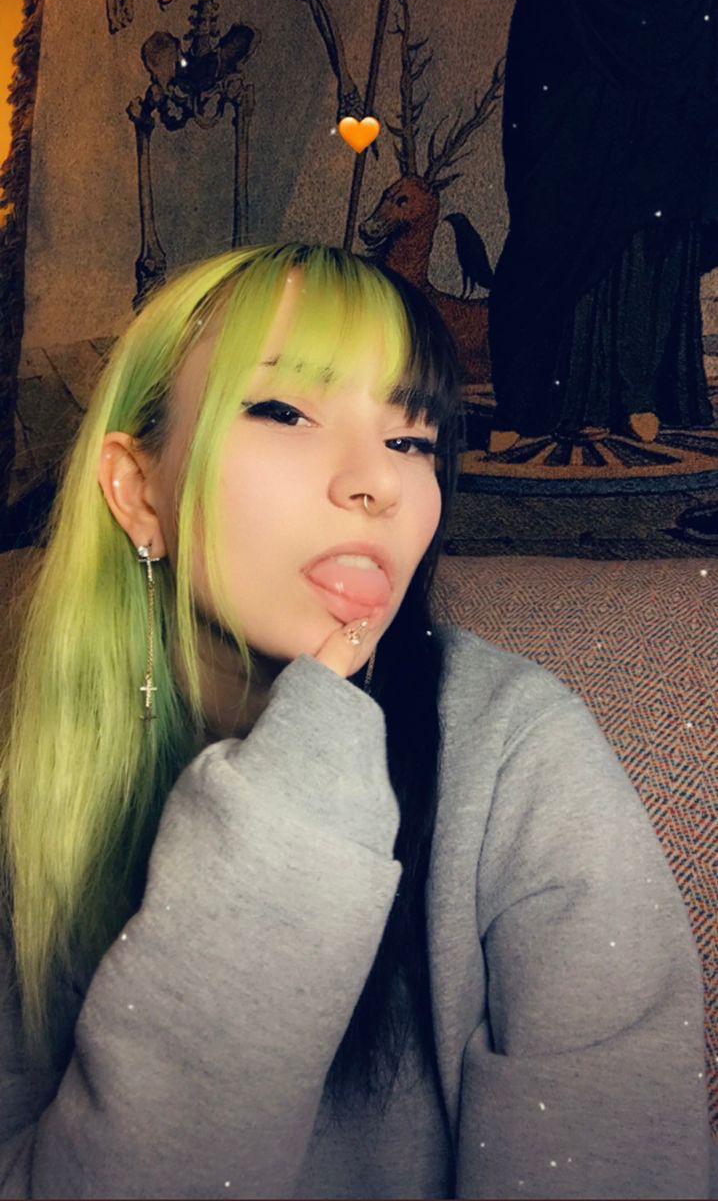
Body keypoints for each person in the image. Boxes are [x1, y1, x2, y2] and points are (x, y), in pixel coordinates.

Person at [0, 242, 711, 1200]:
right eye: (286, 411)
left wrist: (315, 767)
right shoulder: (31, 785)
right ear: (139, 489)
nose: (376, 482)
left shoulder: (522, 755)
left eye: (413, 440)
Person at [489, 0, 718, 453]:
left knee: (650, 206)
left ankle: (636, 391)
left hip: (671, 8)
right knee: (554, 202)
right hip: (571, 5)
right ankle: (529, 398)